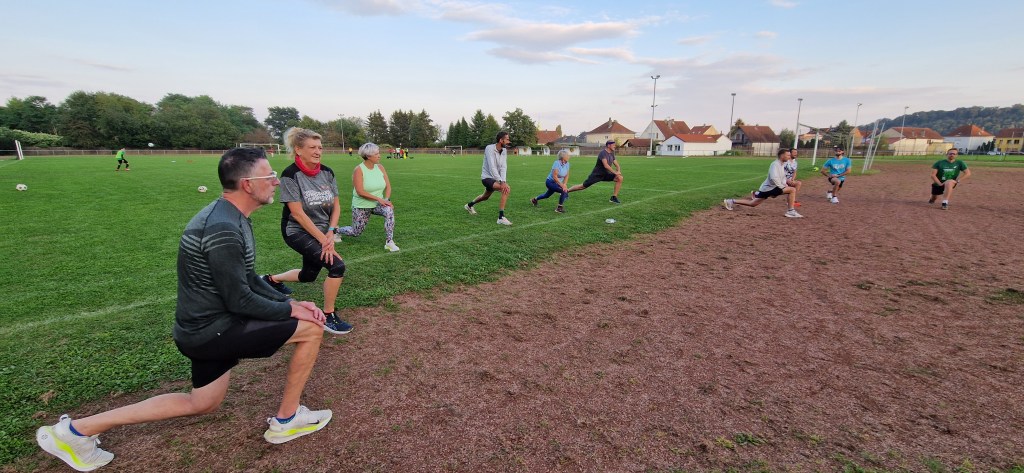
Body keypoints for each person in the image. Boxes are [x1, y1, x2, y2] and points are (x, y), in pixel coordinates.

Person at [35, 148, 332, 472]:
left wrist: (290, 303)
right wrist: (292, 313)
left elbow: (247, 279)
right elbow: (240, 301)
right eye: (270, 175)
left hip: (202, 328)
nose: (276, 181)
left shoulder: (231, 217)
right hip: (213, 330)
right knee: (311, 328)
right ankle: (288, 419)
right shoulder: (222, 228)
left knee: (201, 402)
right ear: (248, 184)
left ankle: (75, 432)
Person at [263, 128, 352, 335]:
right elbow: (298, 213)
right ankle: (328, 316)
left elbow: (336, 206)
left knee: (309, 275)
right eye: (312, 147)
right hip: (296, 230)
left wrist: (331, 231)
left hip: (323, 231)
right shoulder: (290, 175)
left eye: (320, 147)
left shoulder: (327, 172)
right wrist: (324, 240)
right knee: (337, 266)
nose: (318, 151)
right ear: (298, 149)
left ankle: (271, 280)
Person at [336, 142, 400, 252]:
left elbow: (388, 187)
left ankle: (389, 242)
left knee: (389, 211)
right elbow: (360, 191)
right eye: (376, 154)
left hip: (378, 204)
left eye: (379, 153)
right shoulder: (358, 170)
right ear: (368, 156)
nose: (379, 155)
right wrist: (379, 199)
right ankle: (335, 231)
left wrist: (386, 200)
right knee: (356, 232)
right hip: (362, 205)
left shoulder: (380, 167)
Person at [723, 148, 803, 218]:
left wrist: (784, 184)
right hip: (771, 188)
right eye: (788, 155)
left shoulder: (782, 164)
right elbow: (774, 177)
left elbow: (782, 176)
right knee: (792, 190)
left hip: (768, 188)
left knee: (753, 203)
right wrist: (782, 187)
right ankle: (790, 211)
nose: (789, 157)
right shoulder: (775, 164)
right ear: (782, 156)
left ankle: (730, 201)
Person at [465, 131, 513, 225]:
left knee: (485, 197)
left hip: (496, 179)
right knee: (506, 189)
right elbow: (492, 167)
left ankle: (469, 205)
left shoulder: (504, 151)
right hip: (486, 177)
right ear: (501, 140)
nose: (509, 141)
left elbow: (503, 167)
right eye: (507, 139)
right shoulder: (489, 148)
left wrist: (503, 181)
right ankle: (501, 217)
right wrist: (501, 182)